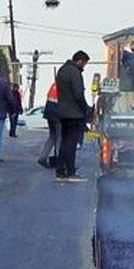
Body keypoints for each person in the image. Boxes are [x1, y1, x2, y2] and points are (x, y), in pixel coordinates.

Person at [55, 50, 92, 182]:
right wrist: (86, 109)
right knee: (71, 144)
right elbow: (78, 94)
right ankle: (70, 172)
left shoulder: (62, 70)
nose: (84, 67)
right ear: (80, 61)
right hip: (74, 113)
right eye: (84, 64)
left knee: (64, 143)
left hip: (63, 112)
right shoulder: (75, 73)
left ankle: (60, 171)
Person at [37, 81, 60, 169]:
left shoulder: (54, 85)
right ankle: (59, 160)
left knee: (52, 136)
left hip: (49, 113)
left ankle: (43, 157)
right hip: (58, 114)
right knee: (59, 137)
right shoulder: (64, 85)